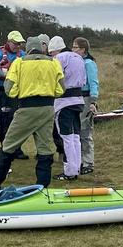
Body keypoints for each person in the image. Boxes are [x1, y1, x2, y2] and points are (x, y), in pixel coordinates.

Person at [0, 37, 64, 190]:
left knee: (9, 144)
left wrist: (20, 93)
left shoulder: (19, 62)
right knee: (45, 147)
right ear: (42, 49)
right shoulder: (54, 63)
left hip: (26, 108)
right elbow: (61, 88)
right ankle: (43, 186)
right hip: (47, 108)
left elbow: (9, 89)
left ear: (28, 49)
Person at [0, 30, 29, 160]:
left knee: (17, 121)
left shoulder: (23, 55)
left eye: (20, 43)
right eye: (15, 43)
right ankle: (6, 149)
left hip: (17, 92)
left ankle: (16, 149)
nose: (17, 46)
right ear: (8, 41)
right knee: (3, 121)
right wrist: (2, 73)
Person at [48, 36, 86, 180]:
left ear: (55, 50)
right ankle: (76, 167)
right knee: (75, 136)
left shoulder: (59, 58)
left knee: (66, 137)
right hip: (79, 100)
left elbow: (55, 77)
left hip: (64, 101)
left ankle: (69, 171)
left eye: (51, 53)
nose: (51, 56)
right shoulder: (78, 57)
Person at [72, 37, 99, 174]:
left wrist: (93, 101)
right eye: (73, 47)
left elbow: (94, 83)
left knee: (85, 131)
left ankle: (88, 162)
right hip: (76, 98)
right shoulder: (76, 62)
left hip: (87, 98)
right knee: (77, 131)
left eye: (75, 47)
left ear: (83, 49)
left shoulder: (89, 63)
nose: (73, 50)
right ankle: (79, 160)